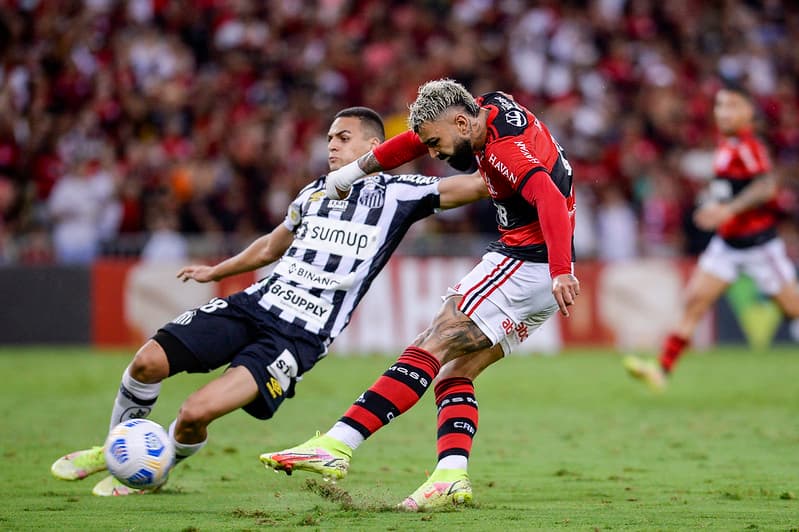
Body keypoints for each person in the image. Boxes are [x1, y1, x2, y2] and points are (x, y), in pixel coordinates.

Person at [49, 106, 489, 496]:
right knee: (146, 362)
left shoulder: (402, 192)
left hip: (298, 336)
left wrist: (515, 153)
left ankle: (158, 464)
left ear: (375, 146)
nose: (331, 145)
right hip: (253, 305)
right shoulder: (314, 192)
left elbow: (476, 186)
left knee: (193, 413)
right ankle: (114, 448)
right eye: (329, 138)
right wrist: (217, 271)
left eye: (343, 137)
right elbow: (270, 246)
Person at [259, 79, 580, 511]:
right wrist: (349, 174)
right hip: (538, 276)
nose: (434, 153)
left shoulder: (504, 151)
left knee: (432, 342)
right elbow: (409, 143)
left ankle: (337, 444)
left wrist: (560, 271)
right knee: (453, 375)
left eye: (437, 143)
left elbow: (549, 196)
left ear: (462, 122)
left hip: (527, 263)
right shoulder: (485, 110)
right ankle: (450, 475)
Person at [624, 84, 799, 391]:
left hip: (759, 245)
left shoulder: (748, 145)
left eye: (732, 106)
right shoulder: (726, 144)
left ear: (748, 112)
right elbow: (733, 188)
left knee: (793, 310)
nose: (724, 113)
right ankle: (661, 371)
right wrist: (712, 206)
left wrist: (728, 209)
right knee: (693, 302)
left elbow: (766, 186)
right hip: (727, 245)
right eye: (720, 106)